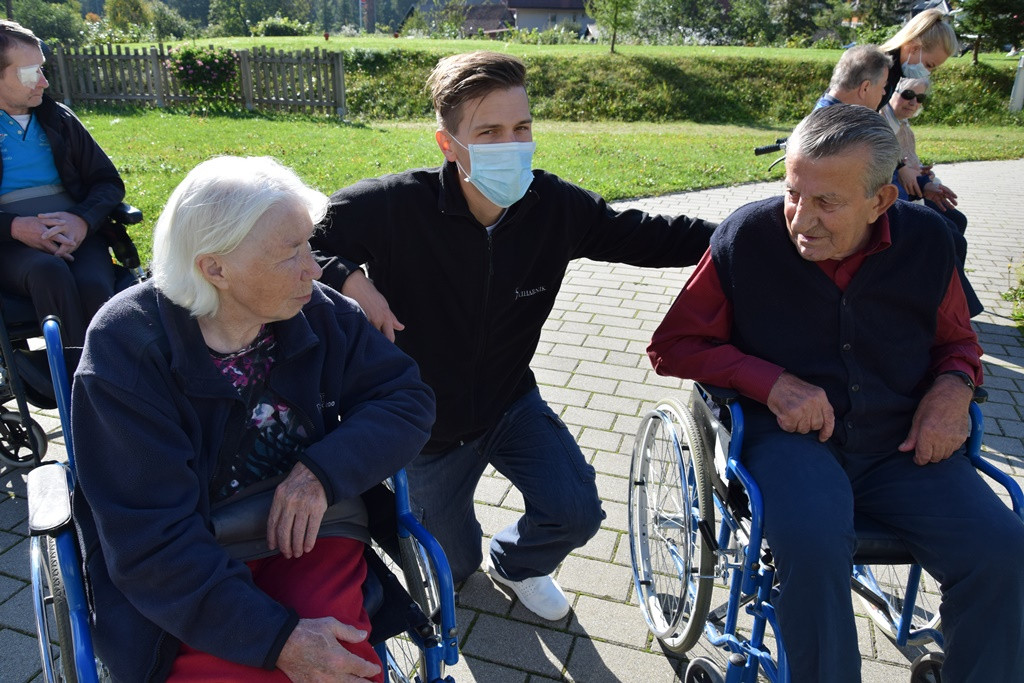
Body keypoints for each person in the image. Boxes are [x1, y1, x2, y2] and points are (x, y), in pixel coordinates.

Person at [310, 50, 716, 622]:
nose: (511, 143)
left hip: (508, 402)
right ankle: (464, 555)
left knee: (575, 512)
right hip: (422, 424)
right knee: (451, 567)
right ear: (448, 143)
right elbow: (302, 240)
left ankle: (518, 562)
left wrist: (746, 236)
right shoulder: (394, 206)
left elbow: (646, 235)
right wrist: (349, 278)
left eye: (522, 128)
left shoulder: (554, 207)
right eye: (489, 131)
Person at [647, 104, 1024, 683]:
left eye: (828, 203)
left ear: (880, 202)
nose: (801, 219)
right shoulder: (748, 237)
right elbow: (674, 345)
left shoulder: (927, 242)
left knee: (1003, 551)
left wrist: (953, 390)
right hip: (790, 445)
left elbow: (959, 343)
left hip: (903, 446)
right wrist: (769, 382)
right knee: (814, 548)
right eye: (795, 192)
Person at [71, 156, 435, 682]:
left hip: (312, 530)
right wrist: (276, 640)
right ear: (214, 267)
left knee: (342, 665)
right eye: (292, 253)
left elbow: (407, 397)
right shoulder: (127, 349)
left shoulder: (318, 310)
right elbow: (152, 542)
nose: (315, 267)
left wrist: (320, 474)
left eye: (309, 244)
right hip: (187, 558)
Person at [0, 20, 125, 347]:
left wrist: (82, 220)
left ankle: (114, 379)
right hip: (8, 245)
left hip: (75, 234)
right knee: (48, 272)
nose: (44, 81)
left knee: (95, 284)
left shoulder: (60, 120)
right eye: (30, 73)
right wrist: (15, 227)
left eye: (43, 69)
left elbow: (107, 183)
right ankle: (73, 385)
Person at [881, 76, 966, 234]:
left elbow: (908, 167)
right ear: (891, 92)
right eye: (907, 95)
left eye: (919, 98)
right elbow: (892, 172)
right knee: (949, 233)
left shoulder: (904, 125)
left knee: (958, 221)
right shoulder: (881, 122)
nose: (913, 103)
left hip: (913, 193)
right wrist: (916, 178)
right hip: (897, 200)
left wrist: (924, 176)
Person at [878, 8, 958, 110]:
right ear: (914, 48)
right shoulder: (879, 70)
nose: (928, 72)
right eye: (929, 65)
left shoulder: (894, 70)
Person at [814, 44, 892, 111]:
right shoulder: (843, 124)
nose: (884, 92)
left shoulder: (823, 112)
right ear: (865, 88)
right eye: (883, 86)